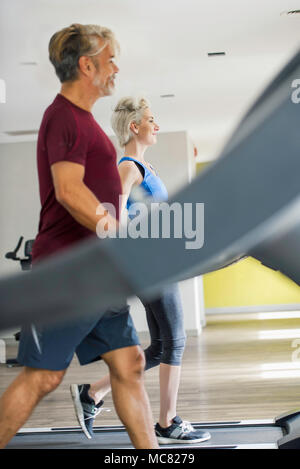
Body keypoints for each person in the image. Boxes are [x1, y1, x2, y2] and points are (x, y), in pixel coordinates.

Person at [0, 24, 158, 450]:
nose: (116, 68)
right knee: (44, 376)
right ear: (87, 65)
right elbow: (69, 191)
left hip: (96, 269)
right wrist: (117, 232)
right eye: (109, 61)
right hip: (67, 273)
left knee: (129, 363)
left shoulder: (84, 122)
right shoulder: (63, 117)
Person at [70, 97, 211, 445]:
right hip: (150, 266)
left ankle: (92, 394)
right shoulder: (129, 167)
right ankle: (167, 422)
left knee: (162, 345)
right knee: (175, 341)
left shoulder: (144, 166)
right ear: (135, 127)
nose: (157, 125)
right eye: (152, 119)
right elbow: (111, 217)